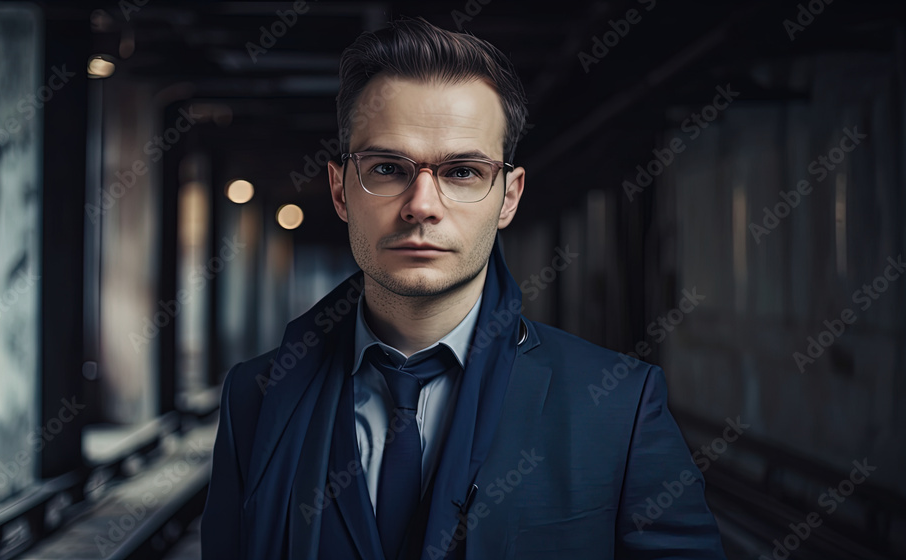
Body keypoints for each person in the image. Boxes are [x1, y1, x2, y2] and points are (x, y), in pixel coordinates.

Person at [201, 16, 727, 560]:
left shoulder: (620, 403)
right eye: (386, 168)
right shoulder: (255, 397)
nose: (421, 205)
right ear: (340, 190)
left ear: (509, 197)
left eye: (462, 172)